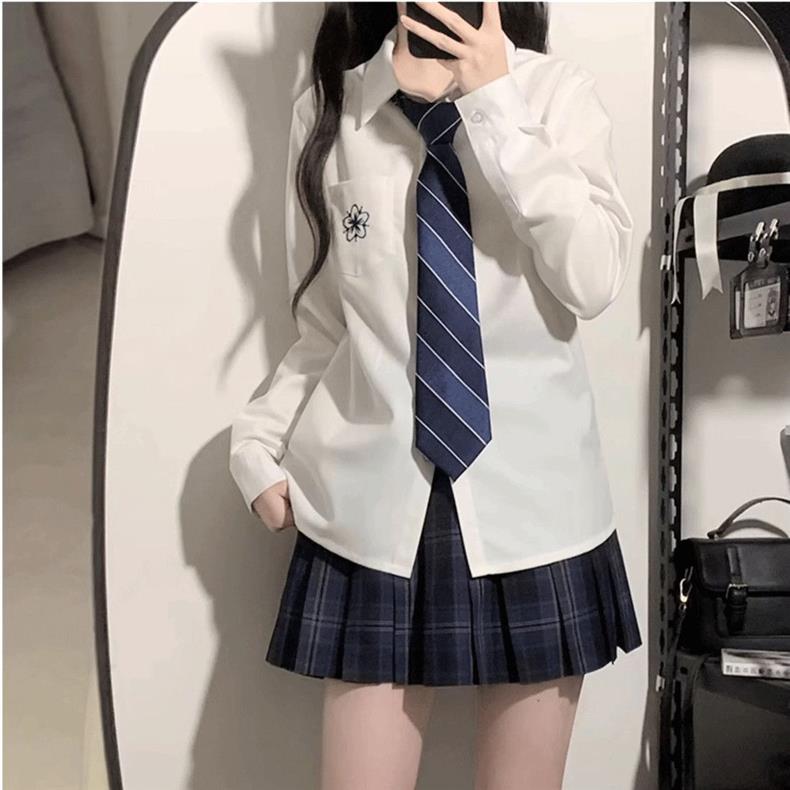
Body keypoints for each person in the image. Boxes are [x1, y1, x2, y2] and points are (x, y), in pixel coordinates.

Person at [229, 3, 642, 788]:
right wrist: (258, 440)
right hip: (371, 512)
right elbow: (325, 328)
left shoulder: (556, 94)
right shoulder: (330, 111)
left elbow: (593, 279)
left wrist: (495, 103)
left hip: (537, 513)